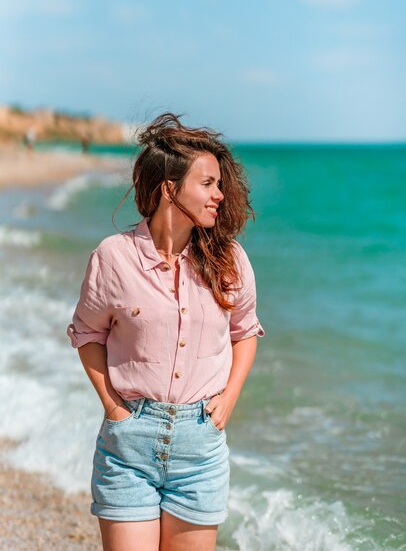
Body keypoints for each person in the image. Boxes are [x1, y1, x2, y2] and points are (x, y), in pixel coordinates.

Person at [67, 112, 265, 551]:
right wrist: (113, 405)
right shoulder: (113, 258)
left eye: (220, 184)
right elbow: (86, 334)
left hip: (200, 450)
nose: (220, 195)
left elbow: (245, 331)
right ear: (169, 189)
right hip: (129, 449)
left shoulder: (230, 261)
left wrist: (228, 398)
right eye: (208, 183)